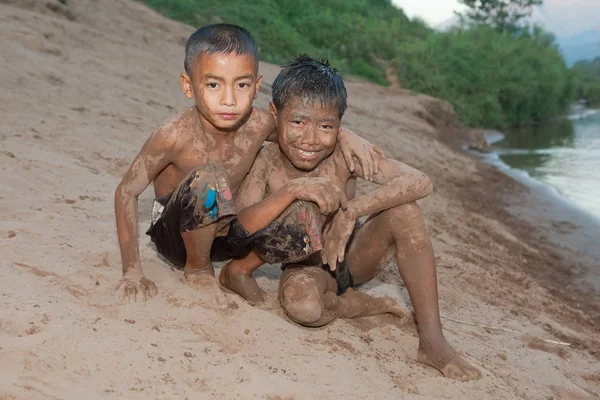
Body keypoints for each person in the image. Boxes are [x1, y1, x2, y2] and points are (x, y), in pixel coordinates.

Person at [219, 55, 482, 381]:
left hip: (354, 254)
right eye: (298, 122)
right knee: (303, 308)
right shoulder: (267, 160)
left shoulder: (347, 153)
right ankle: (360, 305)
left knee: (405, 210)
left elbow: (419, 181)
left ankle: (433, 341)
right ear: (276, 115)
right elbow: (242, 223)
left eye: (326, 127)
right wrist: (293, 192)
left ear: (339, 128)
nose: (311, 139)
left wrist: (353, 211)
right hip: (308, 267)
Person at [114, 24, 382, 304]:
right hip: (177, 239)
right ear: (188, 86)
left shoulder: (258, 124)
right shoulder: (172, 136)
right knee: (211, 178)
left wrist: (346, 135)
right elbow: (126, 192)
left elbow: (304, 135)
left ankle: (240, 269)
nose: (229, 100)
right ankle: (199, 270)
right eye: (213, 84)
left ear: (256, 86)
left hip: (229, 237)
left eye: (241, 85)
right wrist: (132, 270)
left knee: (301, 201)